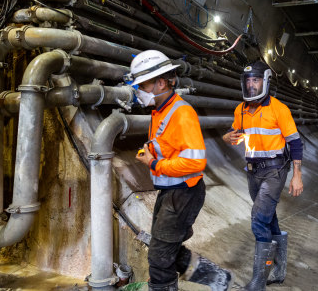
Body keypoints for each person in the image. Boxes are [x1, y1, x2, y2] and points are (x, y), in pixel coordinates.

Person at [129, 50, 231, 291]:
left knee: (159, 258)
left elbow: (195, 162)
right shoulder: (160, 111)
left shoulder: (182, 113)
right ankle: (217, 278)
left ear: (161, 83)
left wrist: (154, 164)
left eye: (142, 85)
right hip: (171, 192)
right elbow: (169, 144)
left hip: (183, 194)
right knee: (164, 250)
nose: (139, 91)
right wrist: (149, 150)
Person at [222, 61, 304, 290]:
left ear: (265, 81)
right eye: (248, 81)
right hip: (253, 171)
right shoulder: (241, 109)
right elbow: (234, 131)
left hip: (275, 170)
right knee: (270, 218)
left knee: (259, 219)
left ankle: (258, 281)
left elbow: (295, 143)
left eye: (255, 80)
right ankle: (278, 271)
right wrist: (228, 137)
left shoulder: (279, 109)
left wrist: (297, 175)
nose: (251, 85)